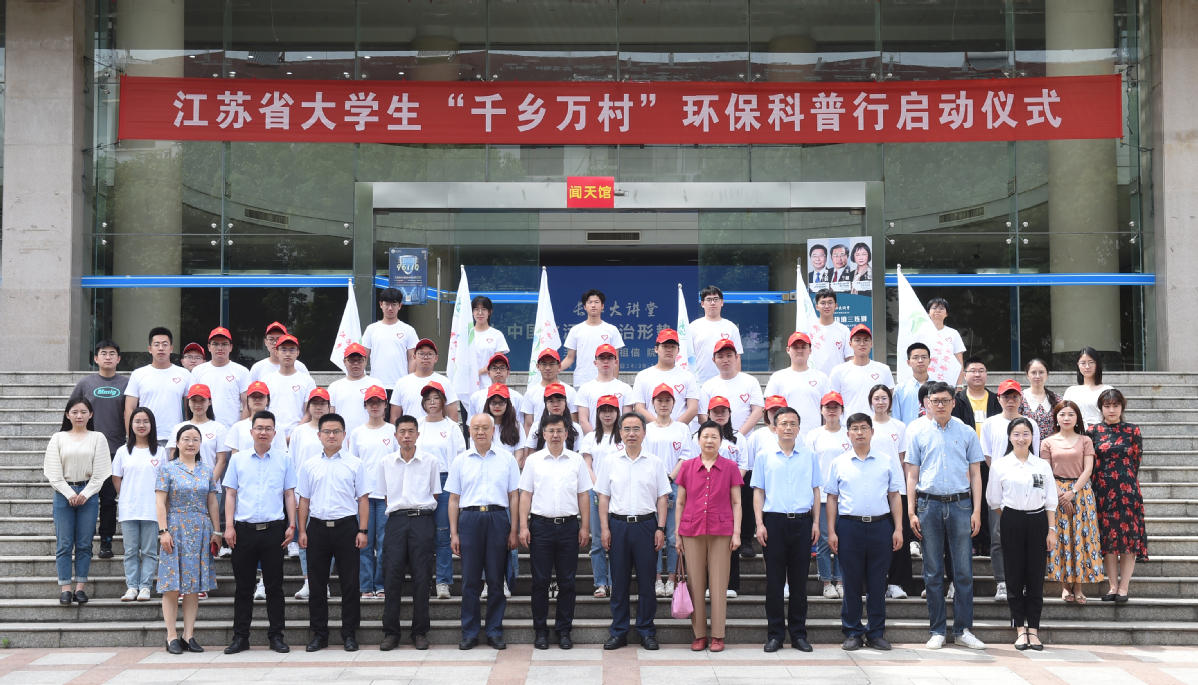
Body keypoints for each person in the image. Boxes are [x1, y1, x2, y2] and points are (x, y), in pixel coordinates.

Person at [904, 381, 987, 650]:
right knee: (932, 571)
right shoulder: (917, 432)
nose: (940, 405)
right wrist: (911, 511)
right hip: (928, 505)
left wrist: (977, 510)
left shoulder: (966, 431)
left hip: (961, 505)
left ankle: (963, 629)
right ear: (927, 403)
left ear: (953, 402)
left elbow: (976, 474)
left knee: (963, 571)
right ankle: (937, 630)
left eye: (945, 400)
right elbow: (912, 475)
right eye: (935, 400)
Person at [825, 413, 904, 651]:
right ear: (848, 433)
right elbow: (832, 498)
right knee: (851, 582)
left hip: (881, 526)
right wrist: (831, 531)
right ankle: (852, 632)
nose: (859, 432)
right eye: (855, 428)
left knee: (877, 583)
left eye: (864, 428)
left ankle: (876, 632)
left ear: (872, 431)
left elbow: (894, 495)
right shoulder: (839, 462)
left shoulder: (886, 460)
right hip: (849, 527)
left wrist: (898, 528)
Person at [222, 410, 297, 655]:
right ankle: (240, 637)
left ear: (275, 433)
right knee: (243, 587)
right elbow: (230, 494)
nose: (263, 432)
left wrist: (292, 525)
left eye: (268, 428)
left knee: (275, 587)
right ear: (251, 431)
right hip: (243, 531)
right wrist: (229, 526)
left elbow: (289, 494)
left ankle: (276, 636)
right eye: (259, 428)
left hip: (274, 531)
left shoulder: (284, 460)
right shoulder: (238, 459)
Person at [595, 412, 670, 651]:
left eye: (636, 429)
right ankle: (619, 631)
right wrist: (605, 528)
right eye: (626, 429)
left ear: (644, 433)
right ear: (620, 432)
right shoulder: (610, 462)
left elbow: (662, 498)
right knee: (619, 582)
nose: (631, 434)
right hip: (618, 526)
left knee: (647, 582)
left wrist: (660, 528)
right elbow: (603, 498)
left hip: (646, 526)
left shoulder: (655, 463)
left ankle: (646, 631)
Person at [519, 414, 593, 650]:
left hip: (569, 527)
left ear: (566, 434)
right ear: (543, 433)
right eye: (550, 430)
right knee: (540, 582)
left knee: (567, 582)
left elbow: (583, 494)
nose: (555, 435)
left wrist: (585, 526)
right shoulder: (533, 461)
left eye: (559, 431)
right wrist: (523, 526)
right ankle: (540, 631)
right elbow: (526, 494)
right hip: (540, 527)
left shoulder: (576, 460)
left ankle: (564, 630)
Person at [447, 413, 521, 650]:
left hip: (498, 518)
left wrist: (514, 529)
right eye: (476, 428)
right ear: (469, 431)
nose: (481, 432)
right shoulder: (460, 461)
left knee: (496, 579)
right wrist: (454, 533)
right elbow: (454, 499)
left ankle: (494, 631)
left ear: (493, 431)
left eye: (485, 428)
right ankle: (469, 632)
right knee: (469, 580)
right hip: (469, 519)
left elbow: (514, 496)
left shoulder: (507, 459)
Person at [297, 413, 370, 652]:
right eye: (327, 431)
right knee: (317, 585)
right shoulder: (309, 465)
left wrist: (362, 530)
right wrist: (302, 530)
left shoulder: (355, 464)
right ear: (319, 435)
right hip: (317, 528)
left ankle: (349, 634)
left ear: (344, 435)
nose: (331, 435)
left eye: (336, 431)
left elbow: (363, 499)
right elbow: (304, 500)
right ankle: (319, 634)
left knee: (350, 584)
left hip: (347, 528)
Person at [985, 417, 1057, 651]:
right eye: (1016, 434)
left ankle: (1033, 630)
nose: (1021, 438)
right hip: (1012, 520)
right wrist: (1012, 517)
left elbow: (1051, 500)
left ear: (1032, 437)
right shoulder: (1000, 465)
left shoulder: (1042, 466)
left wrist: (1051, 529)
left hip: (1038, 520)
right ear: (1009, 437)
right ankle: (1019, 629)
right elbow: (993, 499)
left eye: (1026, 434)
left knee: (1035, 576)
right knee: (1014, 576)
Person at [752, 407, 818, 652]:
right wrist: (759, 523)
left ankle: (798, 635)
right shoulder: (764, 456)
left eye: (793, 423)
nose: (788, 427)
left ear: (799, 428)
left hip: (802, 522)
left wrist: (816, 523)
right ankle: (775, 635)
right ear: (774, 427)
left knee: (799, 582)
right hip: (774, 523)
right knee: (775, 582)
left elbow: (815, 490)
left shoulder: (809, 456)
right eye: (783, 423)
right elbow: (758, 492)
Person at [674, 420, 743, 652]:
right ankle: (700, 635)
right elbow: (680, 502)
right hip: (691, 530)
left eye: (714, 437)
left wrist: (737, 532)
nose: (710, 441)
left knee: (719, 584)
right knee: (695, 584)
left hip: (721, 531)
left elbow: (736, 502)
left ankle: (718, 636)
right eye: (705, 436)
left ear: (721, 441)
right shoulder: (687, 467)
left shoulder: (730, 467)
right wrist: (677, 533)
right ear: (698, 440)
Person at [155, 424, 221, 654]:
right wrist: (163, 531)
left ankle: (188, 635)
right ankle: (171, 636)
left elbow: (212, 502)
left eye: (195, 439)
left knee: (194, 587)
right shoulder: (168, 469)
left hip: (201, 529)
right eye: (186, 439)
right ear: (177, 443)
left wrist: (217, 531)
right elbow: (160, 502)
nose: (190, 443)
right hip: (175, 529)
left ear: (200, 444)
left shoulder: (206, 470)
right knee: (172, 586)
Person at [377, 414, 440, 651]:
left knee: (422, 577)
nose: (406, 436)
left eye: (411, 431)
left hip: (422, 520)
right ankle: (391, 633)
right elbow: (385, 497)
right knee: (392, 577)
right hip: (396, 521)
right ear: (395, 435)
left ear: (417, 434)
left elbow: (434, 493)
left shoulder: (430, 461)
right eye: (402, 432)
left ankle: (420, 632)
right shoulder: (385, 462)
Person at [44, 396, 111, 605]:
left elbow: (101, 472)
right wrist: (69, 493)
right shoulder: (58, 438)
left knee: (84, 543)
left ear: (91, 414)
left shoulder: (98, 438)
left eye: (83, 412)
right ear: (67, 415)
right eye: (74, 412)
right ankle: (65, 588)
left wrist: (85, 493)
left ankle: (80, 588)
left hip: (88, 494)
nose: (79, 415)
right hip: (63, 494)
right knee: (64, 543)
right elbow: (52, 472)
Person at [980, 380, 1042, 602]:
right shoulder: (989, 424)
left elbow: (1035, 455)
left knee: (1025, 539)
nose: (1010, 401)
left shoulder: (1031, 424)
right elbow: (987, 456)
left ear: (1020, 399)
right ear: (998, 399)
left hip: (1026, 490)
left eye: (1014, 396)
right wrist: (1002, 476)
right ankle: (1002, 582)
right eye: (1006, 396)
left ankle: (1021, 582)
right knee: (998, 537)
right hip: (1000, 487)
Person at [1042, 399, 1105, 603]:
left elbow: (1088, 469)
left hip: (1081, 493)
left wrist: (1072, 492)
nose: (1066, 418)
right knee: (1061, 538)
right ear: (1056, 418)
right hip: (1056, 492)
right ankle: (1064, 586)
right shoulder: (1047, 442)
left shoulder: (1085, 440)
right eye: (1062, 414)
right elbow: (1046, 471)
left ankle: (1078, 587)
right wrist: (1061, 495)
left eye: (1071, 414)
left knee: (1080, 538)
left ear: (1077, 418)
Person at [1088, 388, 1146, 602]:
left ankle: (1124, 587)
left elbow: (1136, 461)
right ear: (1101, 408)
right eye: (1107, 406)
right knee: (1109, 540)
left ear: (1122, 407)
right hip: (1102, 492)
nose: (1111, 410)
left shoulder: (1132, 430)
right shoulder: (1092, 431)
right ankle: (1112, 586)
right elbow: (1090, 463)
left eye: (1115, 405)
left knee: (1128, 539)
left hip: (1127, 492)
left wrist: (1125, 481)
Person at [72, 340, 128, 560]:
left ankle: (106, 541)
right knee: (84, 496)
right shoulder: (85, 383)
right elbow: (72, 412)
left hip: (115, 449)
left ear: (118, 359)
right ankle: (83, 542)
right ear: (96, 359)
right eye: (103, 353)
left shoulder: (127, 384)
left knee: (108, 498)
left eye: (112, 353)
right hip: (87, 449)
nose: (108, 357)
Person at [416, 380, 468, 600]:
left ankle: (443, 582)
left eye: (436, 398)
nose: (432, 402)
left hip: (446, 481)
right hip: (422, 481)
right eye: (428, 399)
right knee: (421, 534)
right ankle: (422, 581)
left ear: (443, 401)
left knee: (443, 532)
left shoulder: (452, 427)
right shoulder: (418, 425)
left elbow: (461, 456)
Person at [643, 384, 694, 597]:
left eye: (667, 400)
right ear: (653, 403)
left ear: (674, 404)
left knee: (674, 535)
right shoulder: (647, 429)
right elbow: (644, 457)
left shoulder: (682, 429)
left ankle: (671, 578)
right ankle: (656, 578)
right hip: (651, 486)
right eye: (659, 400)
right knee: (654, 535)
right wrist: (658, 480)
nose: (663, 404)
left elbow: (686, 456)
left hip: (675, 484)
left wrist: (670, 477)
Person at [950, 357, 1001, 558]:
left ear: (987, 375)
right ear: (965, 375)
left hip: (990, 459)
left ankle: (987, 541)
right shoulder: (957, 400)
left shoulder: (996, 399)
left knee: (989, 499)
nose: (977, 374)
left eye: (981, 370)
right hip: (965, 459)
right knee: (968, 499)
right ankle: (971, 539)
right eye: (973, 370)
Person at [350, 385, 397, 600]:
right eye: (371, 402)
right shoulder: (357, 432)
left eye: (379, 402)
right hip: (365, 497)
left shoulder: (393, 431)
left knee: (385, 542)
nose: (375, 406)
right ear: (366, 406)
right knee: (365, 542)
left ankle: (381, 584)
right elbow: (353, 464)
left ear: (386, 405)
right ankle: (366, 586)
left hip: (387, 495)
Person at [112, 408, 162, 602]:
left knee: (149, 551)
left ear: (152, 425)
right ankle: (132, 587)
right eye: (137, 421)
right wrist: (127, 496)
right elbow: (117, 478)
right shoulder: (123, 451)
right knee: (131, 551)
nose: (141, 425)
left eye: (146, 421)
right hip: (130, 508)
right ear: (131, 425)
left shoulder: (160, 452)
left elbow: (164, 481)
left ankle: (145, 587)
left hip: (152, 508)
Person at [867, 385, 912, 600]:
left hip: (896, 488)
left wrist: (907, 488)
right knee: (874, 539)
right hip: (870, 488)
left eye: (884, 398)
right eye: (876, 398)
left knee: (898, 535)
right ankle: (873, 583)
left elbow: (904, 459)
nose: (881, 402)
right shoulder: (865, 425)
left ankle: (896, 583)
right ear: (871, 401)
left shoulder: (899, 426)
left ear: (890, 402)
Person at [804, 392, 850, 599]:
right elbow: (808, 467)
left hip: (845, 496)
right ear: (821, 410)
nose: (832, 411)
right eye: (828, 407)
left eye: (835, 407)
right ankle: (826, 582)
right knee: (823, 540)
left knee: (843, 540)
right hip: (822, 496)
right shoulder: (814, 435)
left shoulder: (848, 434)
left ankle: (840, 580)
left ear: (841, 410)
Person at [288, 388, 333, 596]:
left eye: (322, 403)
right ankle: (308, 581)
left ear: (329, 406)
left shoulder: (334, 429)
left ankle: (324, 582)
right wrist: (293, 494)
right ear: (308, 407)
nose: (318, 407)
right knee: (305, 538)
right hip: (304, 494)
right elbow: (292, 463)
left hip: (330, 493)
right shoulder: (299, 432)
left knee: (329, 541)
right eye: (314, 403)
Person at [581, 395, 621, 599]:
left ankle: (615, 582)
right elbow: (587, 465)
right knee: (597, 539)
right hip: (595, 491)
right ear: (597, 413)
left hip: (619, 492)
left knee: (616, 540)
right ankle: (600, 583)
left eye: (611, 410)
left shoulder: (623, 435)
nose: (607, 414)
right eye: (603, 410)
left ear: (617, 412)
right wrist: (598, 487)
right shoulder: (590, 437)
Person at [125, 327, 192, 446]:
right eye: (156, 344)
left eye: (165, 344)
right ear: (150, 349)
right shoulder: (138, 374)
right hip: (146, 437)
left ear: (171, 348)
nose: (161, 348)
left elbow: (189, 409)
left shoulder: (184, 374)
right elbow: (129, 409)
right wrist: (132, 439)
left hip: (176, 438)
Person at [765, 332, 830, 438]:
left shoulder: (822, 377)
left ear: (810, 350)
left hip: (814, 436)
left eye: (803, 347)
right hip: (785, 436)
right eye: (795, 347)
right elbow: (769, 410)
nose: (799, 350)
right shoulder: (777, 377)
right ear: (788, 350)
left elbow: (827, 409)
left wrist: (825, 434)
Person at [632, 328, 700, 425]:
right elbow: (639, 408)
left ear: (678, 350)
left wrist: (674, 427)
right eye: (665, 346)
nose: (669, 350)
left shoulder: (688, 376)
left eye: (673, 347)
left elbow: (693, 409)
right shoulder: (643, 376)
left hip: (680, 431)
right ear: (656, 349)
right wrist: (658, 426)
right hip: (651, 431)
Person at [360, 289, 418, 401]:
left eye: (394, 304)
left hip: (400, 385)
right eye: (387, 304)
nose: (390, 308)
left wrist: (410, 382)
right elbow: (363, 357)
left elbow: (412, 358)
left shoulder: (408, 330)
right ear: (381, 304)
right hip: (376, 386)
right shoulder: (371, 329)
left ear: (400, 306)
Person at [562, 289, 626, 389]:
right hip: (581, 382)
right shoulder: (576, 330)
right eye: (589, 302)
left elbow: (616, 359)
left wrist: (614, 383)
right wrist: (554, 369)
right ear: (584, 307)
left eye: (596, 302)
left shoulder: (612, 330)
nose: (593, 305)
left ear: (602, 306)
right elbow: (569, 358)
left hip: (606, 382)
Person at [190, 327, 249, 430]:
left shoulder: (241, 371)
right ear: (209, 347)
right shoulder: (198, 371)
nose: (220, 348)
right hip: (203, 430)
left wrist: (240, 430)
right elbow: (191, 402)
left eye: (224, 344)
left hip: (231, 430)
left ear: (231, 347)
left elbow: (247, 405)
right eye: (215, 344)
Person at [702, 338, 763, 437]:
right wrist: (717, 436)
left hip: (745, 440)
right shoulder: (708, 386)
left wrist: (738, 436)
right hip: (717, 441)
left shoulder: (751, 381)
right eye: (720, 356)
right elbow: (702, 415)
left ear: (736, 357)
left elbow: (758, 411)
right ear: (714, 360)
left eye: (729, 355)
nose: (725, 360)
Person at [829, 325, 894, 417]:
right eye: (857, 340)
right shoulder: (838, 371)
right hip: (848, 423)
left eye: (866, 340)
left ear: (871, 343)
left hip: (875, 423)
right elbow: (834, 401)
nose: (862, 343)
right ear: (850, 344)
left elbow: (888, 399)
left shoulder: (884, 369)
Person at [391, 339, 461, 423]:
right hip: (410, 430)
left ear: (436, 358)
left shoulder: (444, 382)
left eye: (430, 354)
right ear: (414, 357)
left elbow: (453, 415)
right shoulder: (402, 383)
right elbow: (394, 416)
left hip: (437, 430)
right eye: (421, 354)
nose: (425, 357)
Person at [261, 335, 316, 439]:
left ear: (297, 353)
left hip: (298, 436)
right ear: (276, 352)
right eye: (283, 349)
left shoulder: (307, 381)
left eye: (292, 350)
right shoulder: (266, 380)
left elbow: (309, 413)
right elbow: (261, 410)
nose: (287, 354)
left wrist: (294, 435)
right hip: (271, 436)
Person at [689, 286, 745, 384]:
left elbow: (737, 357)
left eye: (716, 299)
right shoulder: (693, 327)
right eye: (708, 300)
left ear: (721, 302)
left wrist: (735, 382)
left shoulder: (731, 327)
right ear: (702, 304)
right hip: (699, 382)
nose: (712, 303)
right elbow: (686, 356)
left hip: (726, 383)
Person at [574, 344, 633, 434]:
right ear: (595, 363)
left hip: (619, 439)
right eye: (601, 358)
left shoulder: (626, 388)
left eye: (609, 358)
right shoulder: (585, 388)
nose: (605, 361)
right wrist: (595, 439)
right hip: (593, 439)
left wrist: (618, 438)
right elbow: (583, 421)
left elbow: (626, 419)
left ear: (616, 362)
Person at [329, 342, 382, 437]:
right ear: (344, 362)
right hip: (342, 439)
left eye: (360, 360)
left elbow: (381, 414)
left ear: (366, 361)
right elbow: (330, 416)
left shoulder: (375, 384)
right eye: (351, 360)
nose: (356, 363)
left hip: (369, 437)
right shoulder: (334, 386)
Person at [521, 349, 577, 432]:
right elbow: (528, 425)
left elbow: (573, 422)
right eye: (544, 364)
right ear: (538, 366)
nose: (547, 368)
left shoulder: (570, 391)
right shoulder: (530, 393)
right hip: (538, 437)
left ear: (559, 366)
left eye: (552, 364)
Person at [1063, 347, 1114, 428]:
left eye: (1091, 362)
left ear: (1097, 364)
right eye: (1083, 363)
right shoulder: (1070, 391)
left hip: (1100, 432)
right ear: (1078, 365)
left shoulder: (1107, 390)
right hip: (1075, 432)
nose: (1087, 366)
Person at [470, 296, 510, 390]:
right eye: (476, 309)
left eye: (484, 309)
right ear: (472, 312)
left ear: (489, 312)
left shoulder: (497, 334)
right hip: (470, 383)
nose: (480, 313)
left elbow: (498, 360)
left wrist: (479, 372)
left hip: (491, 383)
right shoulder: (467, 335)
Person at [809, 289, 853, 378]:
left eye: (830, 302)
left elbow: (850, 358)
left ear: (836, 306)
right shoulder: (810, 330)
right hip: (814, 379)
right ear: (817, 307)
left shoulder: (844, 330)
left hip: (838, 379)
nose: (827, 306)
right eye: (823, 303)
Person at [925, 298, 967, 390]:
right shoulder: (921, 333)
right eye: (934, 307)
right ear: (928, 312)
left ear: (946, 313)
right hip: (925, 383)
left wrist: (959, 385)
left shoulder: (953, 333)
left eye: (942, 308)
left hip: (948, 383)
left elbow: (959, 362)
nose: (938, 310)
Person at [478, 383, 527, 459]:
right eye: (493, 402)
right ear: (488, 404)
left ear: (508, 404)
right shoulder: (480, 427)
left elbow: (519, 457)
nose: (497, 406)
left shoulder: (517, 426)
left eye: (501, 402)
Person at [1019, 358, 1062, 443]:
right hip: (1026, 446)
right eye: (1033, 373)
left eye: (1041, 372)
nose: (1037, 376)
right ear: (1027, 375)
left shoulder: (1056, 399)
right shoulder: (1020, 398)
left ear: (1047, 374)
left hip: (1051, 446)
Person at [893, 343, 931, 424]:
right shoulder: (900, 389)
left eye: (924, 357)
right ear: (908, 362)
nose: (920, 360)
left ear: (929, 361)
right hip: (907, 431)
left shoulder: (938, 388)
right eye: (915, 357)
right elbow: (896, 418)